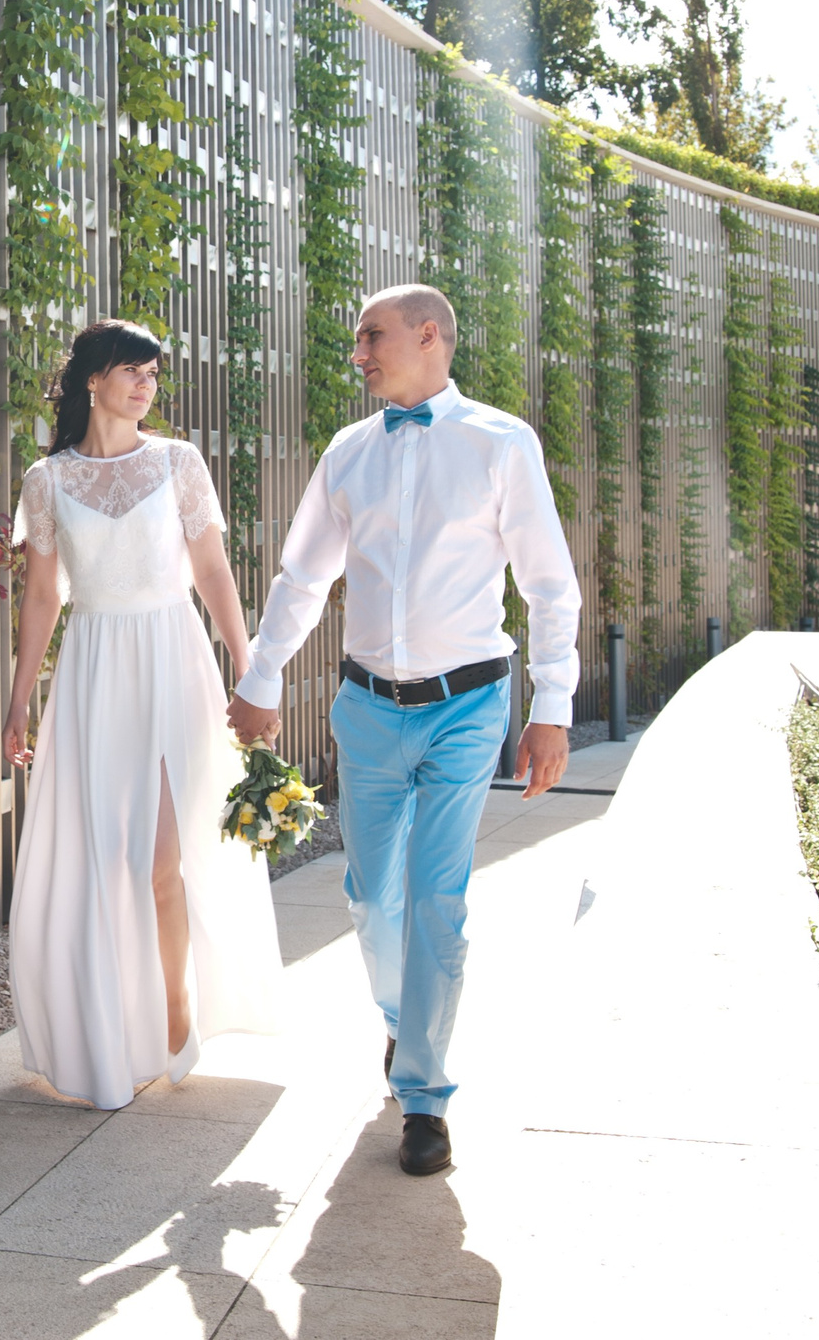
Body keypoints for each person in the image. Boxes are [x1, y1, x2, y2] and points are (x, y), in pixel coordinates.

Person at [225, 284, 579, 1177]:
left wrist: (551, 708)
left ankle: (423, 1095)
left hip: (468, 707)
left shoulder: (502, 445)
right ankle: (401, 1023)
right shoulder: (349, 453)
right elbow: (302, 579)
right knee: (371, 898)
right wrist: (260, 678)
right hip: (368, 710)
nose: (360, 355)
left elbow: (548, 586)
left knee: (435, 899)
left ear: (429, 337)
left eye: (371, 337)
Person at [0, 319, 283, 1110]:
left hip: (172, 656)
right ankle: (107, 1028)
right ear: (93, 379)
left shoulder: (178, 463)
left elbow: (213, 571)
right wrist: (20, 701)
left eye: (153, 375)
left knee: (165, 858)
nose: (146, 386)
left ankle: (176, 1010)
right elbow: (42, 599)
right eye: (132, 371)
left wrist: (248, 667)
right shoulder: (47, 481)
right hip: (93, 669)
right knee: (104, 862)